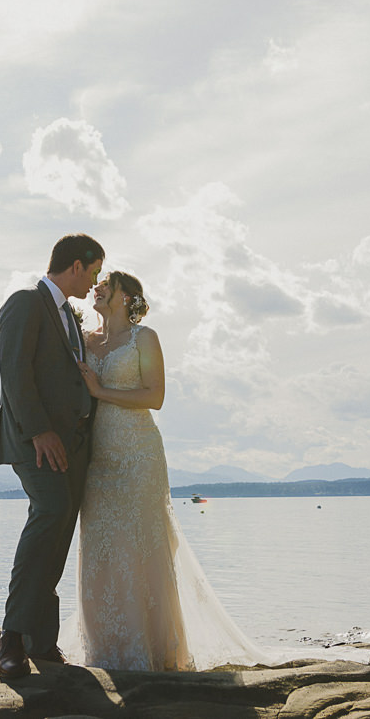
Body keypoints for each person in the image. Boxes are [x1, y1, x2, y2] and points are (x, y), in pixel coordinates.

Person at [65, 270, 266, 671]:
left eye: (106, 284)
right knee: (102, 547)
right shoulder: (84, 341)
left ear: (126, 297)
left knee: (143, 546)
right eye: (97, 283)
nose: (97, 288)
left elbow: (154, 397)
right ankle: (105, 648)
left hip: (139, 454)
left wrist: (99, 391)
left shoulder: (146, 338)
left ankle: (154, 650)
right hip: (98, 459)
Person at [0, 233, 104, 681]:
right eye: (93, 270)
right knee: (49, 516)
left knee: (59, 532)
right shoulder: (24, 302)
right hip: (36, 441)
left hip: (73, 447)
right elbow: (14, 373)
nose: (94, 280)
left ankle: (40, 639)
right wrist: (39, 431)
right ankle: (11, 638)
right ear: (76, 265)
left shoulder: (69, 318)